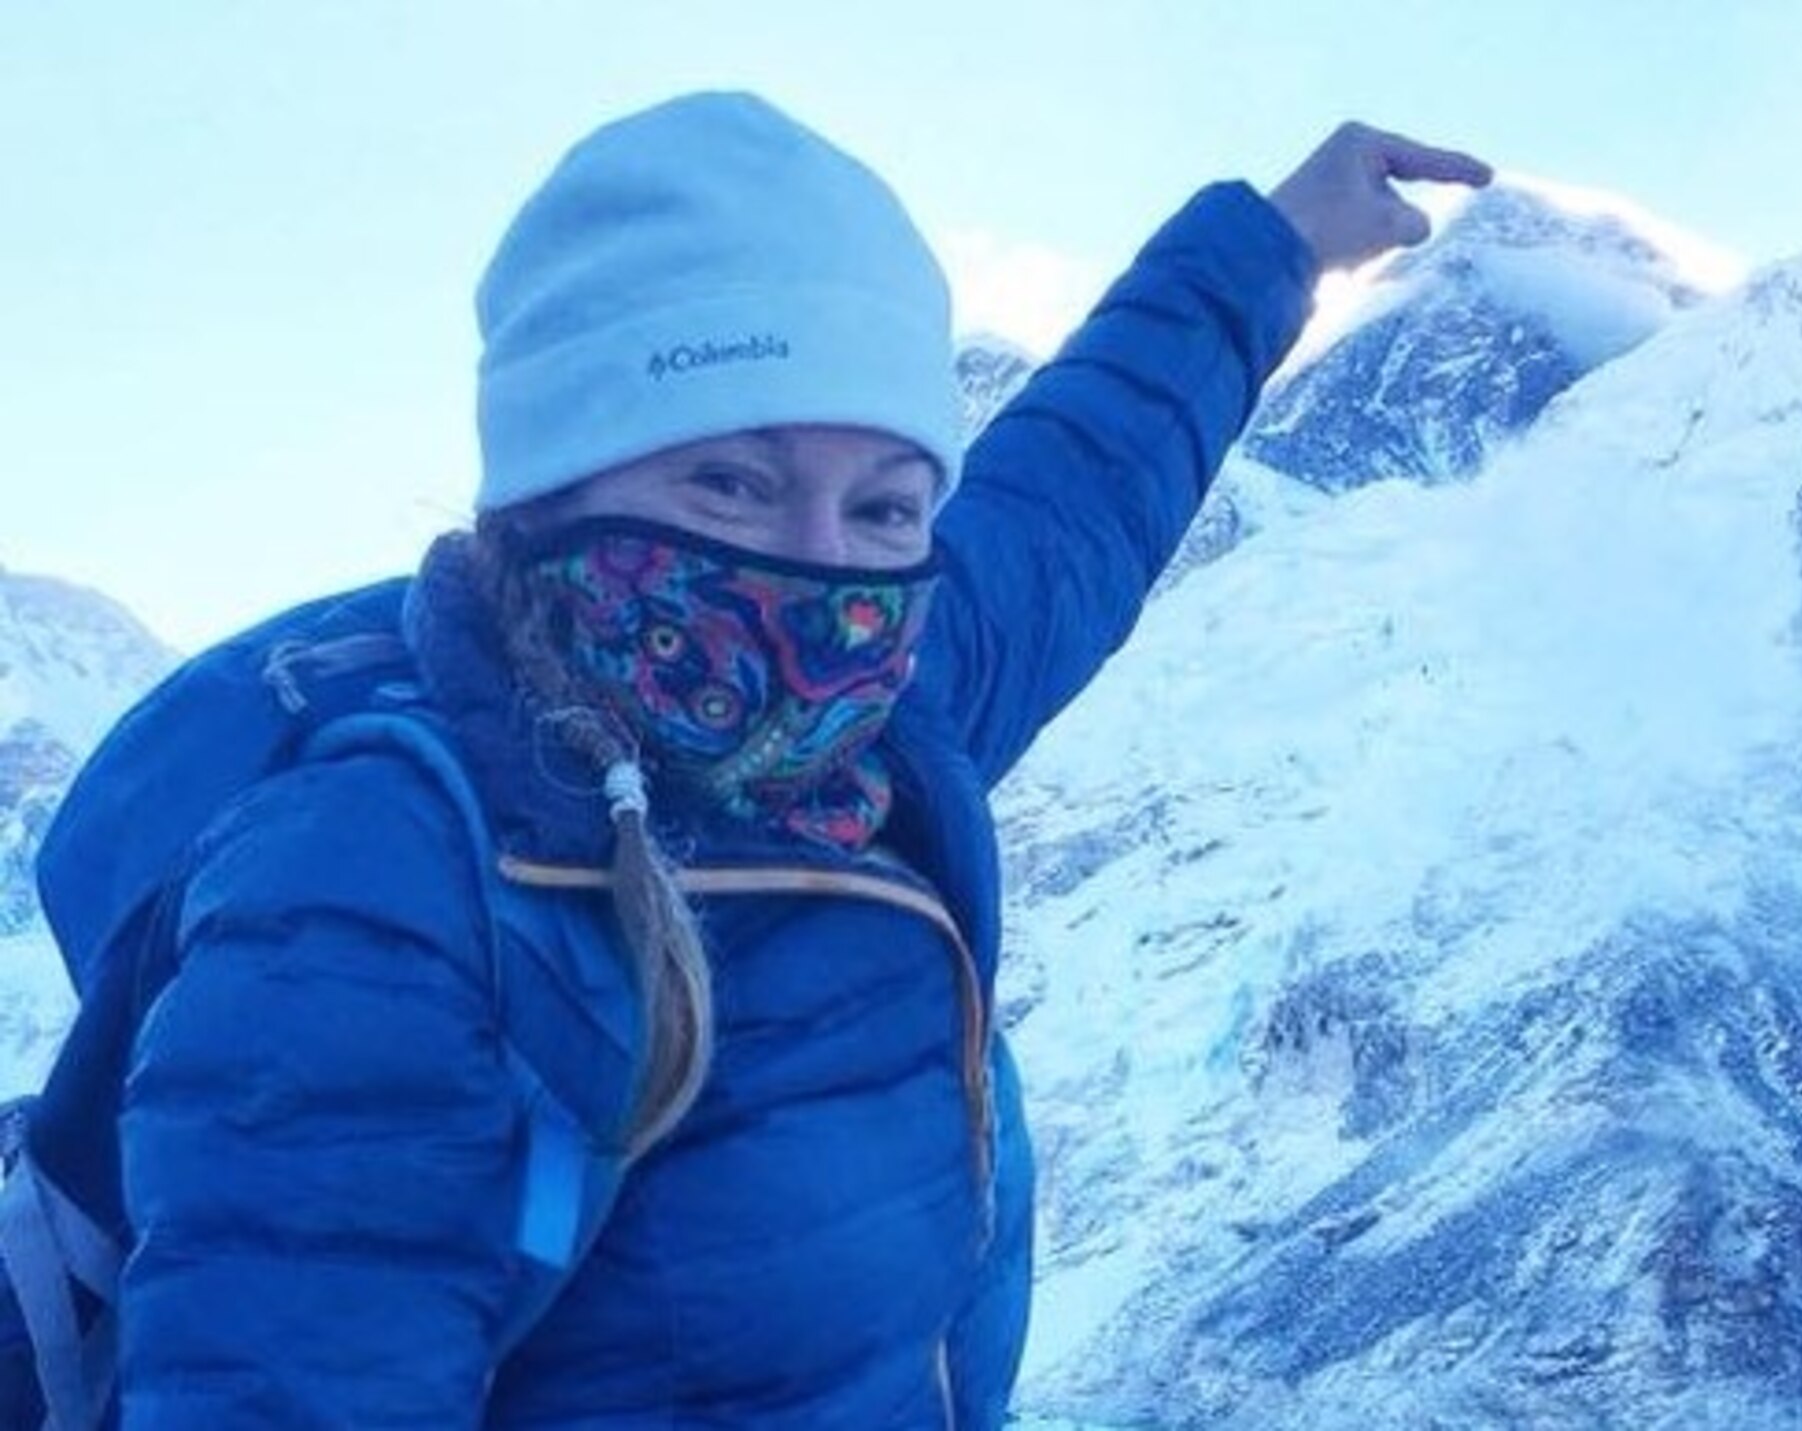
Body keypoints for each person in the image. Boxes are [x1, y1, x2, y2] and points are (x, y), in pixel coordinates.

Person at [101, 92, 1489, 1427]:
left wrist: (1274, 246)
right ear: (548, 492)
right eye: (731, 484)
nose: (815, 574)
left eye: (883, 505)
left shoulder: (878, 730)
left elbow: (1078, 490)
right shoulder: (370, 885)